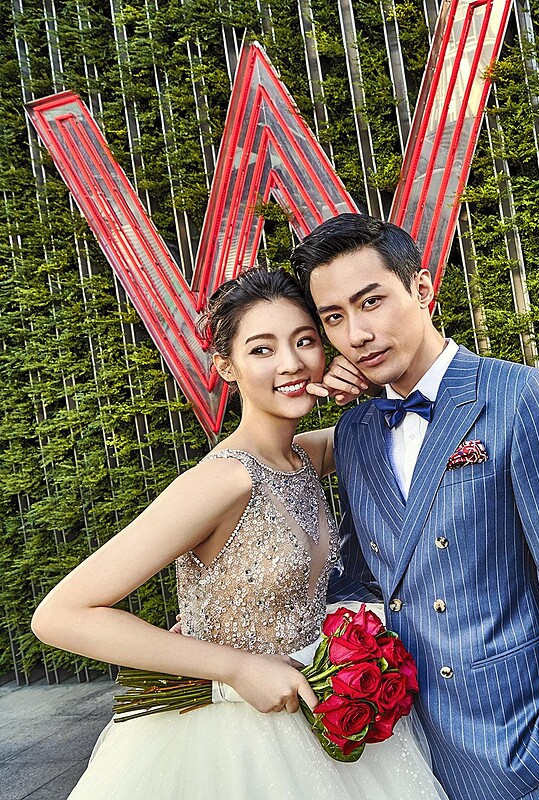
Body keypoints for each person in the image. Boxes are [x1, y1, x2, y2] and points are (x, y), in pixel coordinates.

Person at [31, 269, 447, 799]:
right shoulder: (223, 480)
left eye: (305, 341)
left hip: (316, 712)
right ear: (226, 366)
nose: (291, 363)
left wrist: (362, 380)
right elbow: (60, 615)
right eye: (262, 349)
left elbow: (387, 426)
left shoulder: (305, 456)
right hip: (232, 737)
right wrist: (235, 668)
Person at [292, 213, 539, 800]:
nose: (357, 334)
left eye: (371, 302)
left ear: (422, 288)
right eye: (334, 317)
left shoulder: (519, 395)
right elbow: (362, 579)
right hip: (407, 742)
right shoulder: (356, 431)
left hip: (516, 734)